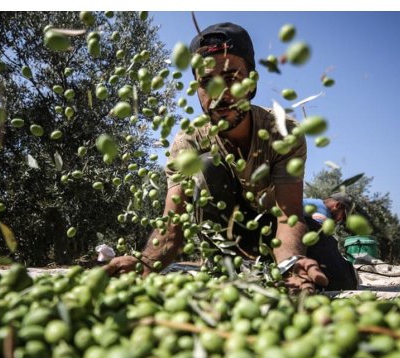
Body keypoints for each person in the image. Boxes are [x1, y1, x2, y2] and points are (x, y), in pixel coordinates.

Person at [104, 22, 329, 293]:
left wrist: (290, 263)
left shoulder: (282, 132)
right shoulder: (187, 144)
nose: (220, 94)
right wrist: (147, 263)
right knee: (208, 165)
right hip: (228, 236)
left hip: (276, 227)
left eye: (232, 78)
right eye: (207, 82)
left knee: (332, 276)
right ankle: (230, 266)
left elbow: (287, 214)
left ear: (252, 83)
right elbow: (173, 225)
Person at [302, 193, 359, 290]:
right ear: (337, 205)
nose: (340, 221)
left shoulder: (315, 203)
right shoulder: (322, 211)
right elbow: (319, 234)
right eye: (343, 216)